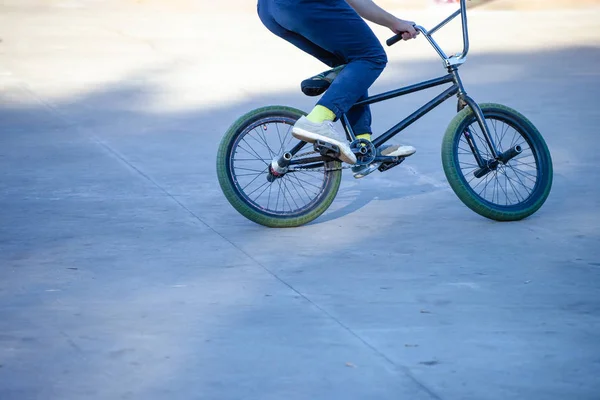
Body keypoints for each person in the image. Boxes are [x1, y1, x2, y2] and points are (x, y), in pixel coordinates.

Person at [257, 0, 419, 177]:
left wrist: (393, 22)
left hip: (269, 10)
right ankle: (317, 120)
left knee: (353, 65)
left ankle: (363, 147)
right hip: (301, 5)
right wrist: (395, 22)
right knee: (372, 57)